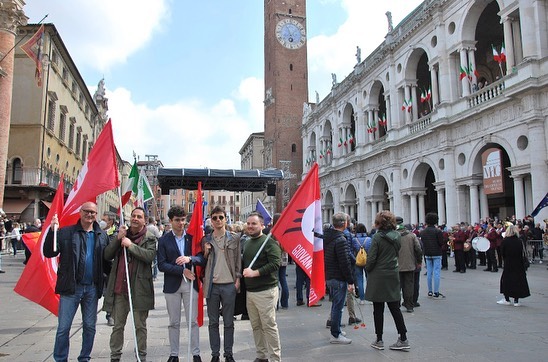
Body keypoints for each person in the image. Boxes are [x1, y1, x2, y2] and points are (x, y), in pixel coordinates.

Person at [43, 202, 110, 362]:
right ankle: (60, 358)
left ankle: (84, 357)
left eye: (93, 212)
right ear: (80, 213)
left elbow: (107, 262)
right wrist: (52, 232)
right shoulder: (66, 233)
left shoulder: (102, 236)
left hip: (92, 289)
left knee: (89, 327)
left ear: (96, 215)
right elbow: (50, 252)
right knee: (63, 328)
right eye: (87, 211)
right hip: (71, 288)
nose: (90, 215)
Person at [103, 207, 157, 362]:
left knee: (140, 326)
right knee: (118, 326)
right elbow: (107, 254)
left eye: (139, 216)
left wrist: (130, 246)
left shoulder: (150, 238)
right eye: (133, 215)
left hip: (139, 290)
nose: (135, 218)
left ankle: (141, 355)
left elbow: (149, 256)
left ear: (144, 220)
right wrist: (118, 239)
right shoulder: (122, 235)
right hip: (120, 289)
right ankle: (115, 356)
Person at [157, 205, 204, 362]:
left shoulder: (192, 237)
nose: (181, 223)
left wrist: (190, 259)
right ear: (171, 221)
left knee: (192, 321)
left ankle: (196, 353)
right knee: (174, 322)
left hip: (191, 284)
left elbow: (201, 258)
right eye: (177, 220)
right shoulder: (164, 240)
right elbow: (161, 265)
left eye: (183, 220)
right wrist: (181, 271)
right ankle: (174, 354)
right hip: (173, 285)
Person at [199, 206, 241, 362]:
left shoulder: (234, 238)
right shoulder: (206, 240)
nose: (218, 220)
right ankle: (215, 355)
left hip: (229, 284)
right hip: (212, 285)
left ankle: (228, 354)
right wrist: (205, 252)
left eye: (221, 217)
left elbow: (238, 260)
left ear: (225, 219)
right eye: (215, 217)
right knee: (213, 322)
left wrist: (237, 279)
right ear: (211, 219)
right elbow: (202, 262)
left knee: (229, 322)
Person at [366, 211, 410, 351]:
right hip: (392, 273)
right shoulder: (397, 236)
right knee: (395, 307)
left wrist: (367, 267)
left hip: (378, 275)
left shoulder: (377, 237)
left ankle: (379, 339)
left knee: (378, 308)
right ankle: (403, 337)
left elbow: (372, 258)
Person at [242, 212, 282, 362]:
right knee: (256, 326)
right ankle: (261, 355)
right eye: (249, 223)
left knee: (269, 326)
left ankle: (275, 358)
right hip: (251, 292)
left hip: (266, 291)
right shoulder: (247, 242)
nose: (250, 226)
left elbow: (275, 264)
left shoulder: (269, 242)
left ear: (262, 225)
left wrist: (255, 273)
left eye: (254, 224)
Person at [323, 212, 354, 344]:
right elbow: (344, 262)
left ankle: (337, 330)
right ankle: (335, 334)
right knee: (338, 306)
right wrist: (350, 281)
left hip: (330, 274)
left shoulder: (328, 237)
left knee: (335, 305)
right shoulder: (341, 240)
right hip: (338, 276)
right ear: (345, 223)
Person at [497, 224, 530, 306]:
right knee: (518, 281)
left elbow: (502, 253)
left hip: (509, 263)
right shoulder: (519, 241)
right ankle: (516, 300)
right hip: (519, 263)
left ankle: (507, 299)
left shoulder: (505, 241)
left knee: (507, 280)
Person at [396, 217, 422, 313]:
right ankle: (409, 305)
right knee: (409, 286)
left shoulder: (392, 236)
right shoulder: (411, 235)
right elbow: (418, 249)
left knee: (397, 286)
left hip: (396, 265)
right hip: (410, 264)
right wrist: (419, 261)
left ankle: (396, 305)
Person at [420, 212, 446, 299]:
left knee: (429, 272)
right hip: (437, 253)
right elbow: (441, 242)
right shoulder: (438, 231)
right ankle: (436, 291)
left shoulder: (423, 232)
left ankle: (430, 290)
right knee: (436, 272)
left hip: (427, 253)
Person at [100, 211, 117, 327]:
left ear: (110, 222)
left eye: (104, 220)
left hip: (109, 268)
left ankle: (110, 315)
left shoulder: (115, 234)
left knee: (109, 293)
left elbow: (111, 251)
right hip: (98, 267)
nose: (101, 222)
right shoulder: (98, 232)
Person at [354, 223, 370, 304]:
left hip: (357, 261)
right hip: (367, 261)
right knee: (369, 278)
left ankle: (362, 299)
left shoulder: (354, 240)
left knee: (359, 279)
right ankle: (370, 297)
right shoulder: (369, 239)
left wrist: (354, 259)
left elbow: (351, 251)